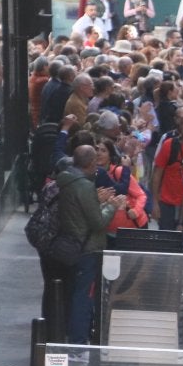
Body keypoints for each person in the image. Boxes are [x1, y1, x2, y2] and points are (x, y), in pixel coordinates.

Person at [59, 146, 124, 344]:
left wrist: (100, 203)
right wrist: (111, 207)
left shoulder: (66, 180)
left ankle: (75, 336)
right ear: (89, 163)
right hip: (87, 249)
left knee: (75, 294)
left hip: (72, 244)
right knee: (84, 297)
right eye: (95, 161)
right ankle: (78, 342)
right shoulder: (84, 185)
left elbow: (83, 213)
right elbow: (97, 222)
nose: (97, 164)